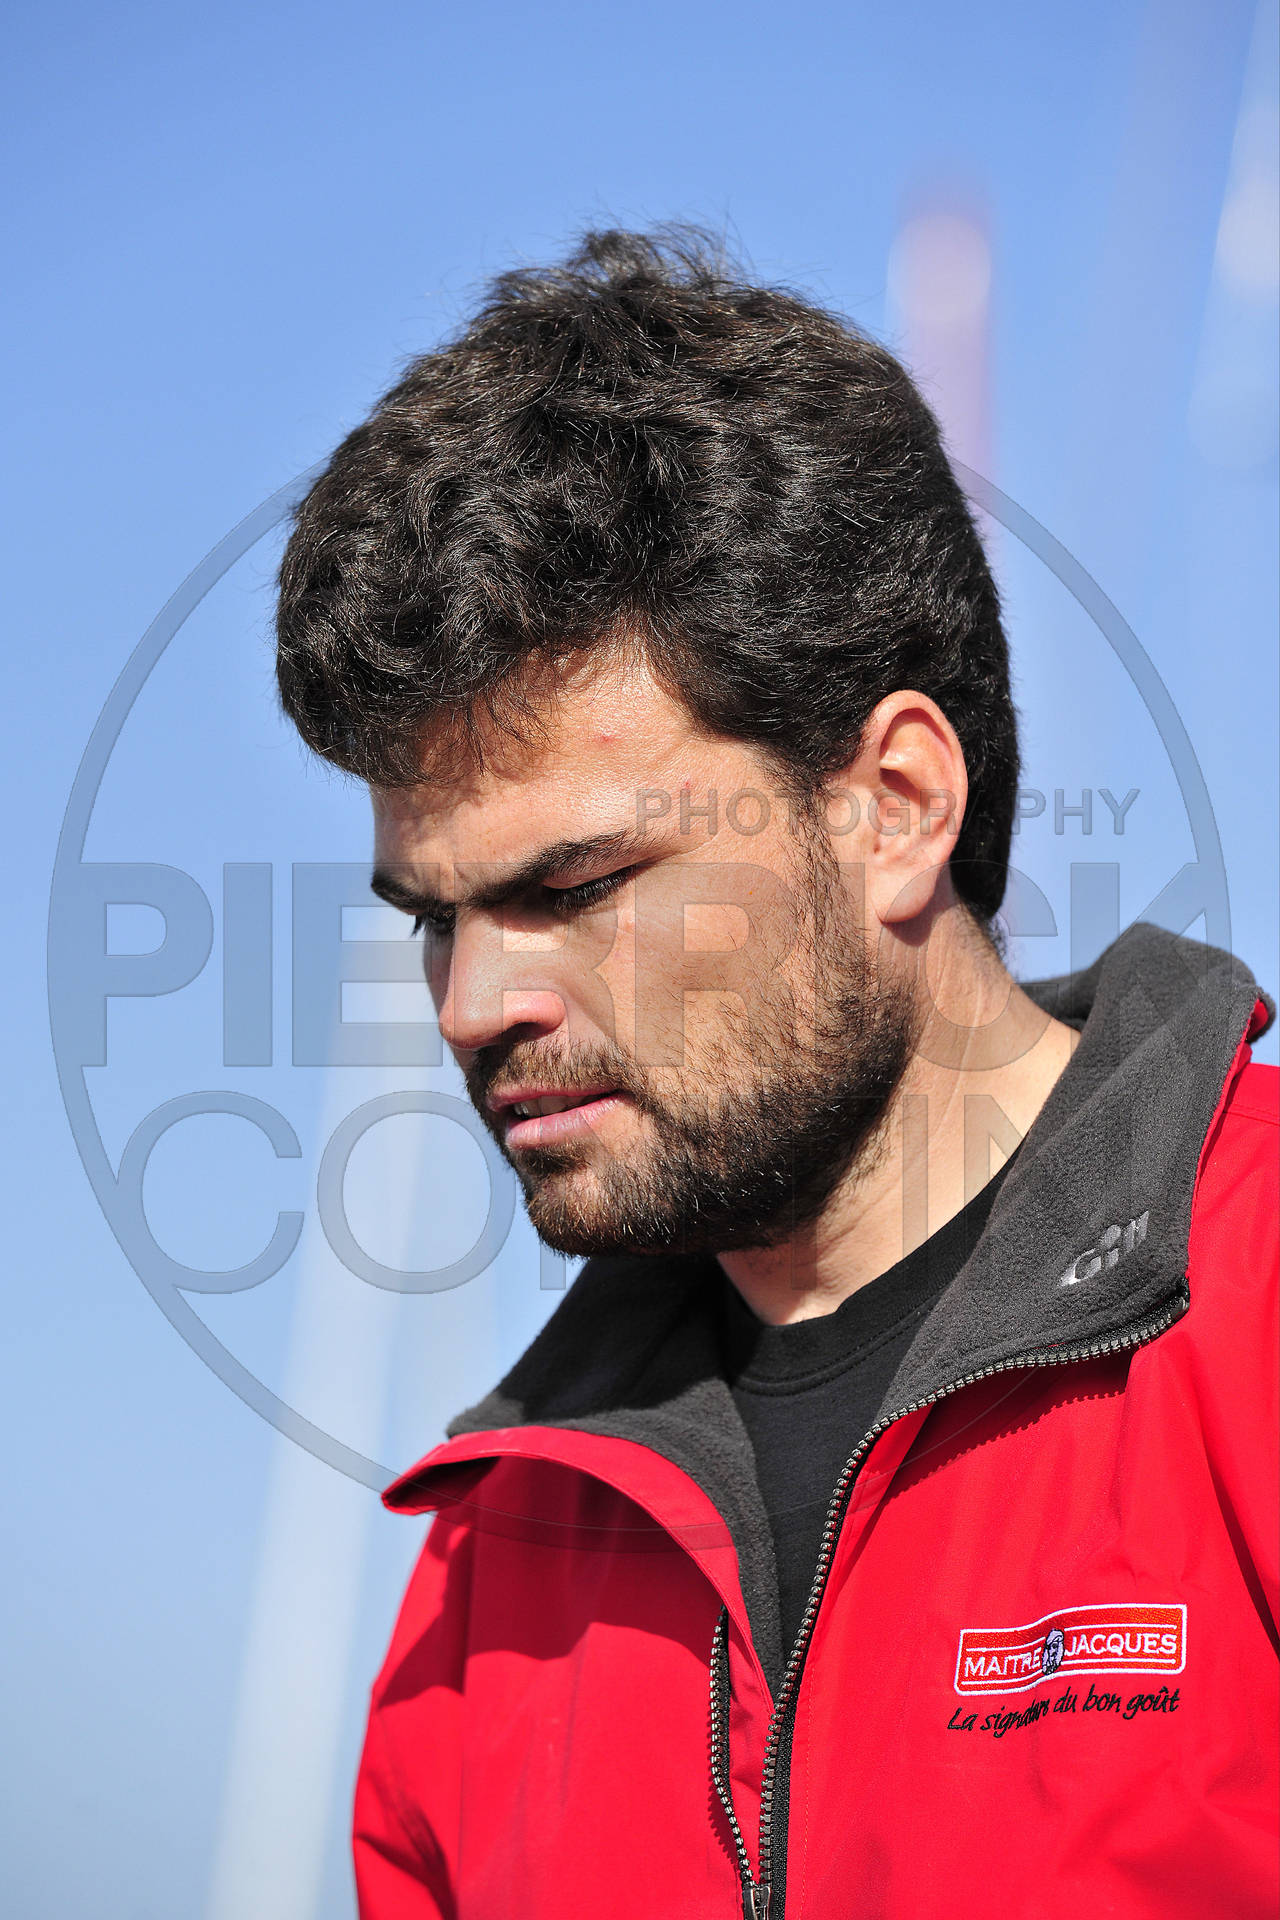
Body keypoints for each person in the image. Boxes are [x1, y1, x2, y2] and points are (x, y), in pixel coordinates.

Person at [275, 229, 1278, 1920]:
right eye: (439, 918)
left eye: (576, 886)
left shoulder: (1252, 1317)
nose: (472, 1004)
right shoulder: (489, 1574)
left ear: (893, 807)